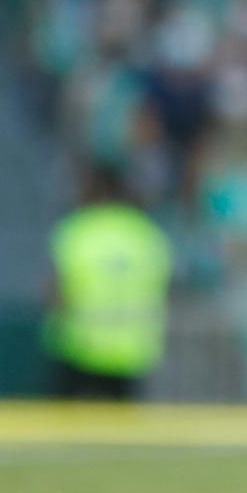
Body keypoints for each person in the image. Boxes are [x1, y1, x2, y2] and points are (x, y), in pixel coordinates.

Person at [45, 165, 173, 400]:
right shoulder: (148, 234)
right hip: (132, 352)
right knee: (122, 422)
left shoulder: (78, 230)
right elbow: (164, 290)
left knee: (62, 420)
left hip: (79, 349)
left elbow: (56, 294)